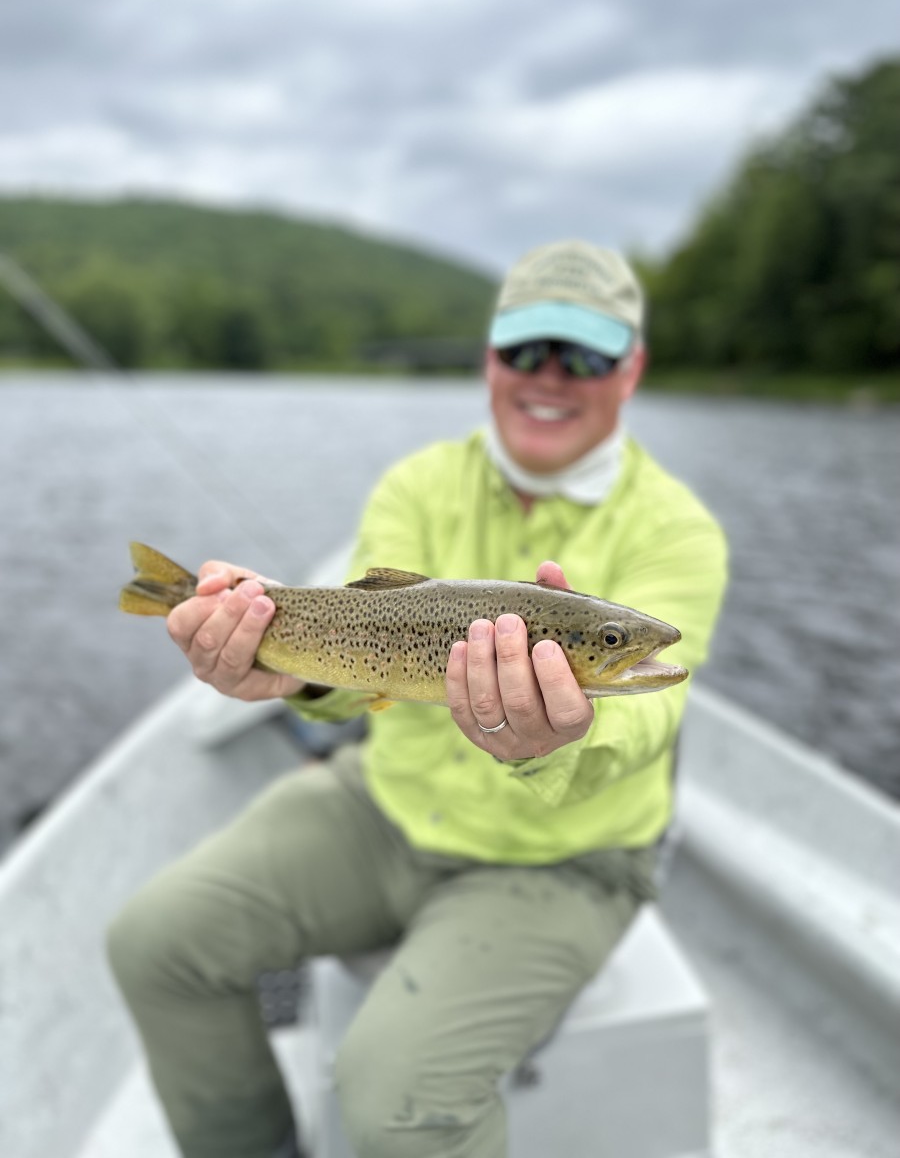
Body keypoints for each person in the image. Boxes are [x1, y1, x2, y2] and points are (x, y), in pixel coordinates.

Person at [107, 240, 728, 1158]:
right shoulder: (418, 483)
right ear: (491, 360)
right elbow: (354, 662)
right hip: (383, 803)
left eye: (586, 356)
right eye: (525, 351)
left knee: (390, 1095)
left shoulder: (678, 531)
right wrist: (292, 671)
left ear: (630, 369)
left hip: (564, 858)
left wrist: (551, 741)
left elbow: (653, 717)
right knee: (153, 943)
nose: (549, 377)